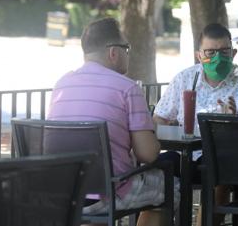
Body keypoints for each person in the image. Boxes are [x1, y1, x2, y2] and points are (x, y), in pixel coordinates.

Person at [48, 17, 176, 226]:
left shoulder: (61, 85)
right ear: (113, 52)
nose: (128, 53)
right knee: (171, 186)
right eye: (127, 48)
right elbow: (148, 154)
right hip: (108, 192)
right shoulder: (127, 88)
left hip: (64, 191)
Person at [153, 23, 238, 226]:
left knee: (218, 170)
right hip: (185, 154)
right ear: (199, 55)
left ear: (234, 53)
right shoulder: (185, 79)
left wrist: (233, 120)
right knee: (157, 170)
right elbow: (160, 118)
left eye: (224, 51)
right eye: (210, 52)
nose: (217, 58)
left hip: (225, 157)